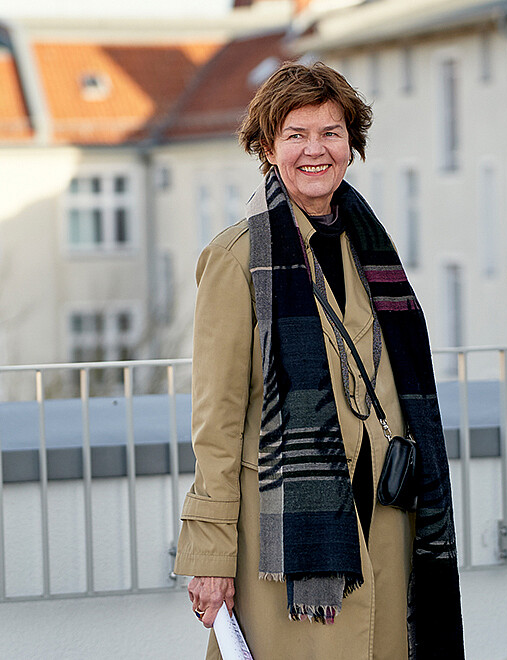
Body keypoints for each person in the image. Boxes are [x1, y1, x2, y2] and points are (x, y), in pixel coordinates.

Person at [172, 61, 465, 659]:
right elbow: (217, 425)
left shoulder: (371, 246)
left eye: (331, 133)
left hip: (384, 517)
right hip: (284, 534)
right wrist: (209, 556)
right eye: (296, 135)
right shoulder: (236, 258)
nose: (315, 151)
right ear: (267, 147)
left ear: (351, 146)